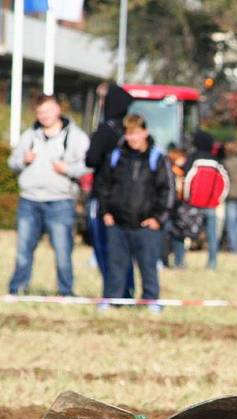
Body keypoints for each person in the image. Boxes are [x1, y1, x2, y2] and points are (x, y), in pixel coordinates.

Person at [7, 94, 90, 296]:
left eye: (47, 111)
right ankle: (17, 289)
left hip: (60, 201)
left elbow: (88, 165)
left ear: (57, 110)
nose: (43, 116)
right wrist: (23, 160)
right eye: (40, 112)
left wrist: (68, 169)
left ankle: (66, 291)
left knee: (63, 250)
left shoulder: (76, 137)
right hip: (30, 200)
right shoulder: (29, 135)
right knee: (23, 250)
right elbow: (12, 162)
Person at [95, 114, 172, 312]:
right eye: (130, 134)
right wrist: (105, 212)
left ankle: (150, 301)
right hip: (117, 224)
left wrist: (159, 218)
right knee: (115, 265)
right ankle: (113, 299)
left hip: (146, 225)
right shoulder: (115, 157)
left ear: (145, 133)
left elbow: (168, 191)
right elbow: (102, 186)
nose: (133, 138)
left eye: (137, 133)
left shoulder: (158, 159)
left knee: (148, 266)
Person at [84, 83, 134, 293]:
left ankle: (111, 292)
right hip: (125, 199)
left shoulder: (105, 131)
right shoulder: (129, 131)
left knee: (104, 246)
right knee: (123, 249)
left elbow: (91, 159)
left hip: (103, 198)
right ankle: (127, 291)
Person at [184, 130, 229, 269]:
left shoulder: (192, 159)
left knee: (184, 232)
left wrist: (187, 198)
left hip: (193, 203)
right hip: (211, 204)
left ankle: (181, 261)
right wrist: (219, 200)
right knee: (212, 234)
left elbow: (186, 179)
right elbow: (225, 182)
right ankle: (212, 262)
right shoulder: (216, 161)